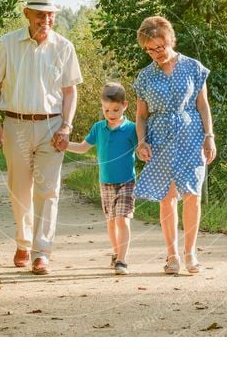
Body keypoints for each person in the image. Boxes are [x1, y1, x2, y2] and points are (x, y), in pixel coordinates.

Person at [0, 0, 82, 275]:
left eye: (50, 15)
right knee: (20, 190)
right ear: (26, 14)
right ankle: (23, 242)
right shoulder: (7, 43)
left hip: (52, 126)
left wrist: (66, 126)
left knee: (48, 190)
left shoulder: (64, 47)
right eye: (40, 14)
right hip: (15, 123)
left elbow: (70, 91)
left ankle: (42, 251)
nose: (46, 20)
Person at [132, 16, 216, 274]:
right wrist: (141, 141)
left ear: (170, 40)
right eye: (149, 49)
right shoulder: (145, 77)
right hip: (160, 138)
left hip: (191, 136)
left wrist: (209, 135)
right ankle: (172, 256)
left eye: (159, 47)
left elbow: (202, 105)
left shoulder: (193, 67)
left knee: (192, 194)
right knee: (167, 198)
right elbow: (141, 115)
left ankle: (191, 254)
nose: (155, 53)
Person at [66, 83, 137, 275]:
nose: (111, 114)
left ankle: (122, 260)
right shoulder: (98, 128)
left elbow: (142, 149)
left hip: (126, 181)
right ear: (102, 107)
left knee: (123, 219)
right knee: (112, 221)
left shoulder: (132, 129)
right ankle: (115, 252)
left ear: (125, 105)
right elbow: (82, 147)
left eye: (115, 110)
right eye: (106, 110)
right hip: (105, 182)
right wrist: (64, 144)